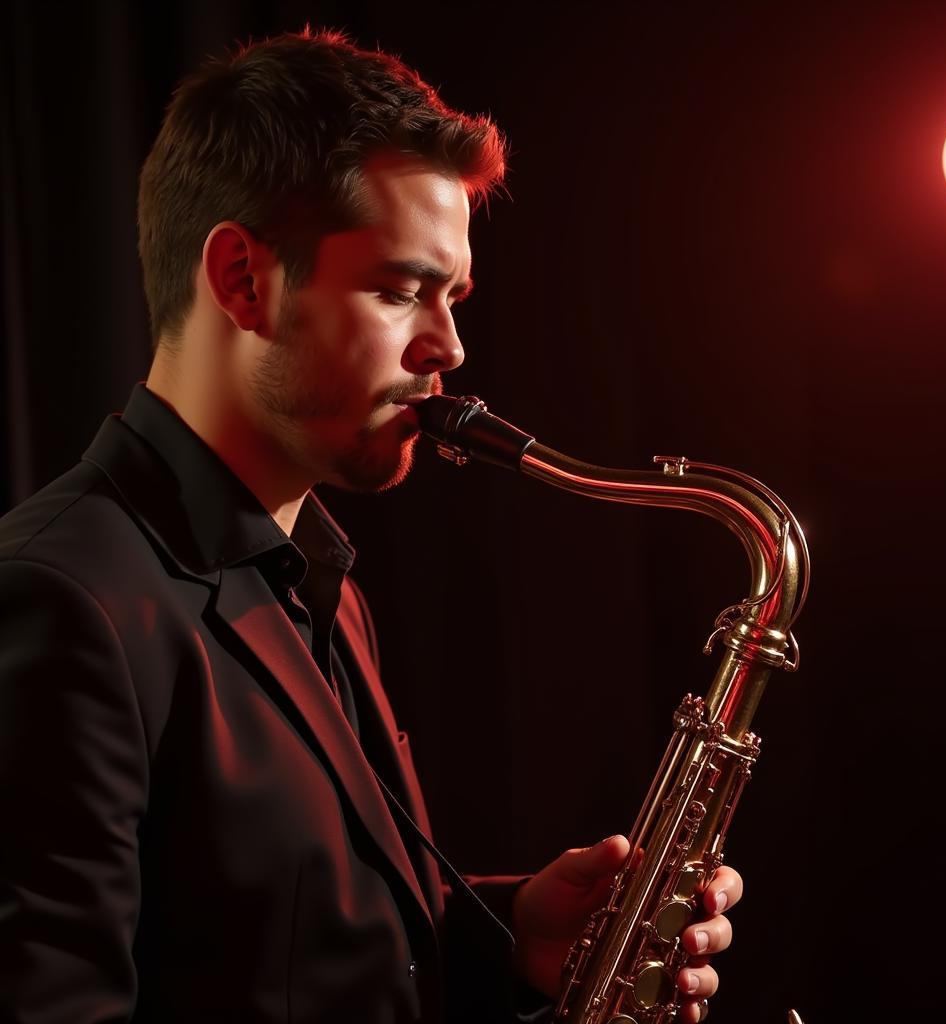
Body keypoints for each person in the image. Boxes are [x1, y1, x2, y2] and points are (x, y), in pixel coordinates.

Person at [0, 29, 742, 1023]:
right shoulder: (58, 597)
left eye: (454, 294)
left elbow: (283, 958)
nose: (448, 346)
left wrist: (506, 939)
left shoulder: (322, 585)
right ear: (240, 279)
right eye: (401, 290)